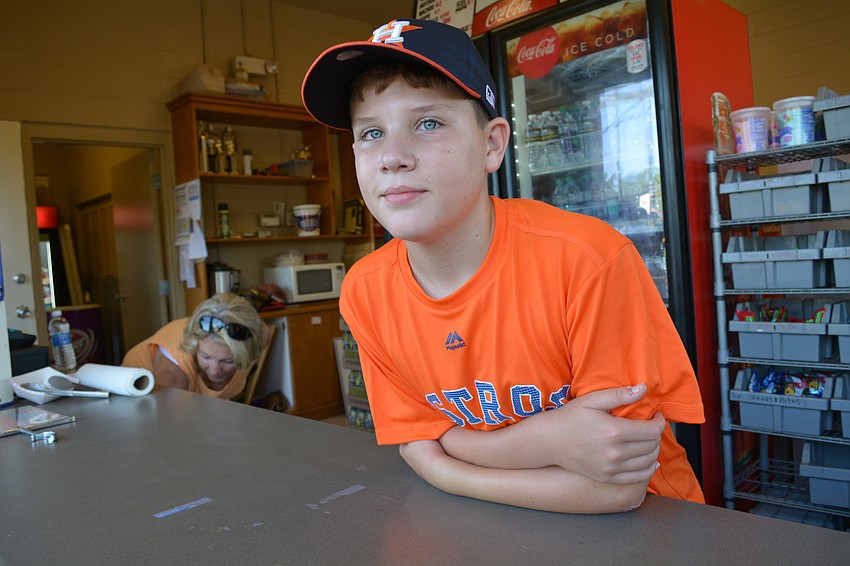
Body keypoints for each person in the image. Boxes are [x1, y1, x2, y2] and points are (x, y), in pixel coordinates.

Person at [301, 18, 705, 514]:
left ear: (492, 144)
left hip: (652, 532)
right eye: (370, 133)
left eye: (428, 123)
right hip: (487, 531)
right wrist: (552, 442)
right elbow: (413, 444)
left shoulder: (586, 259)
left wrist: (447, 461)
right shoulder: (365, 291)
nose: (392, 157)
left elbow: (618, 488)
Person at [122, 292, 268, 399]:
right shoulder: (174, 374)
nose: (215, 371)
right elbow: (164, 425)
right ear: (195, 346)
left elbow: (263, 330)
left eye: (228, 361)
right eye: (206, 356)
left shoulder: (255, 338)